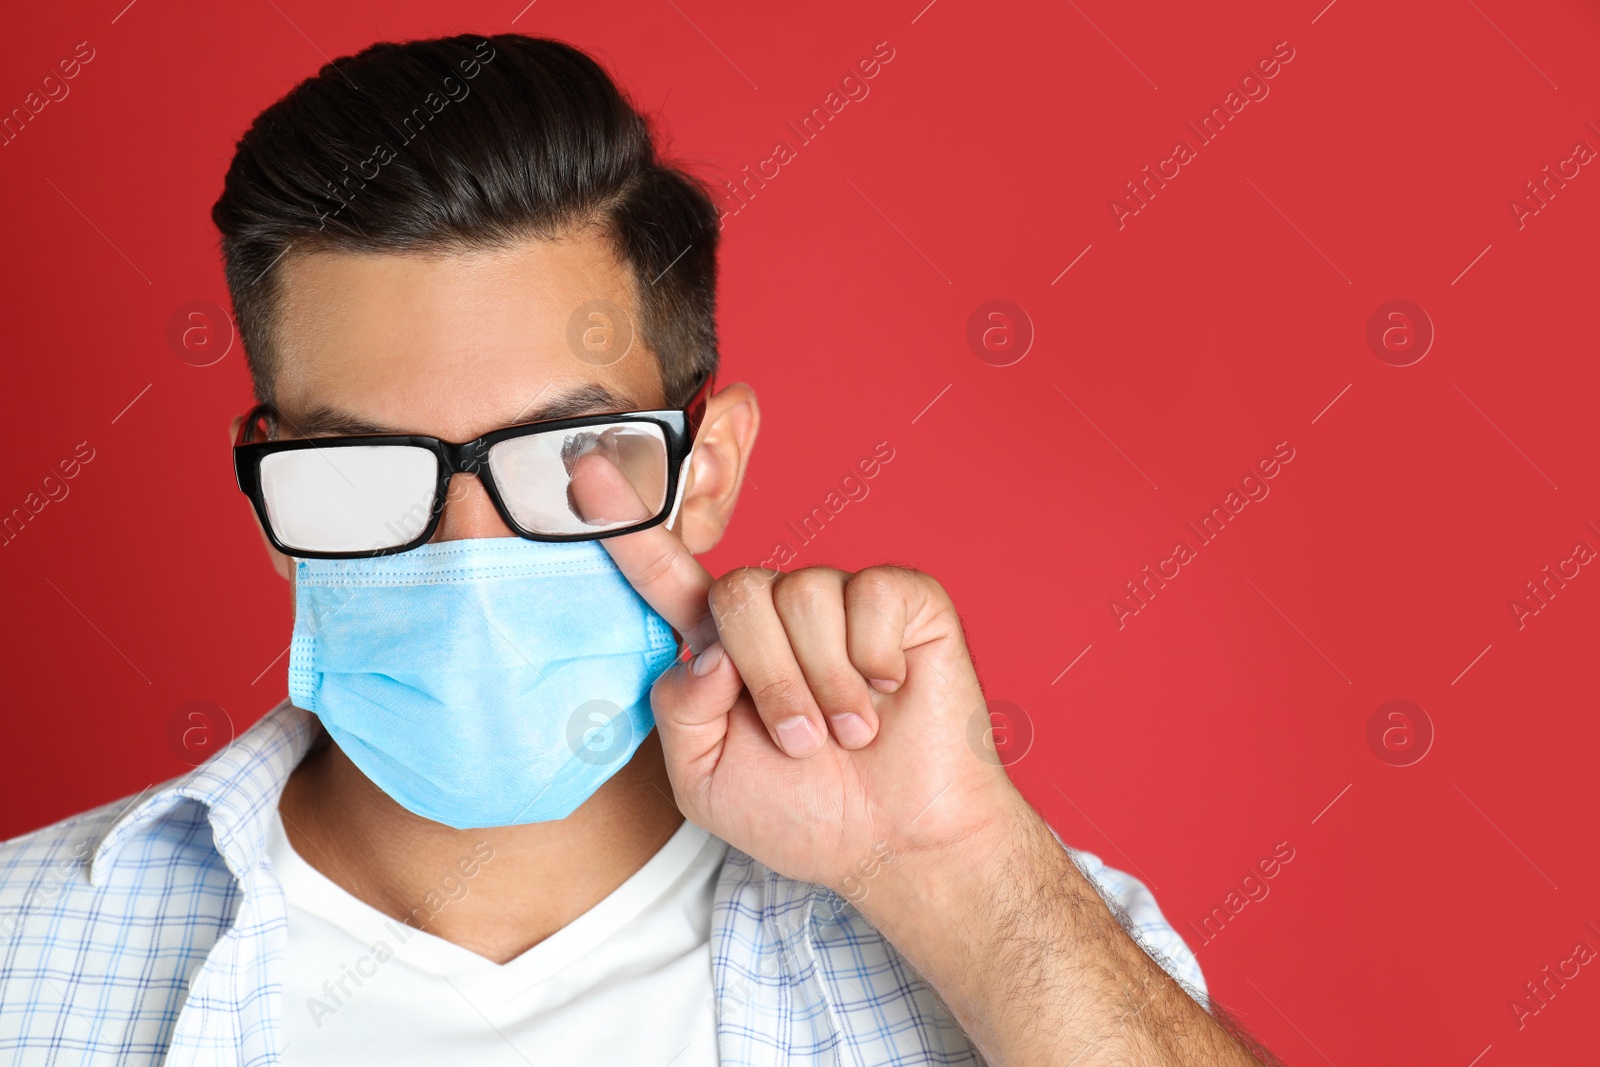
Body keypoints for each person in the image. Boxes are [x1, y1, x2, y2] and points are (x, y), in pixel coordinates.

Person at [0, 33, 1278, 1066]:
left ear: (704, 470)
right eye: (366, 465)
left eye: (566, 457)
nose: (468, 546)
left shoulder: (999, 926)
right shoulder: (26, 952)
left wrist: (950, 868)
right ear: (270, 501)